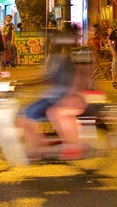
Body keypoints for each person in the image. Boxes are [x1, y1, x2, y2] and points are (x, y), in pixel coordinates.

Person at [19, 26, 87, 159]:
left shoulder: (68, 57)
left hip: (61, 96)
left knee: (28, 112)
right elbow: (47, 77)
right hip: (57, 94)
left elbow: (54, 78)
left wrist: (26, 84)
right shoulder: (60, 57)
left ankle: (37, 147)